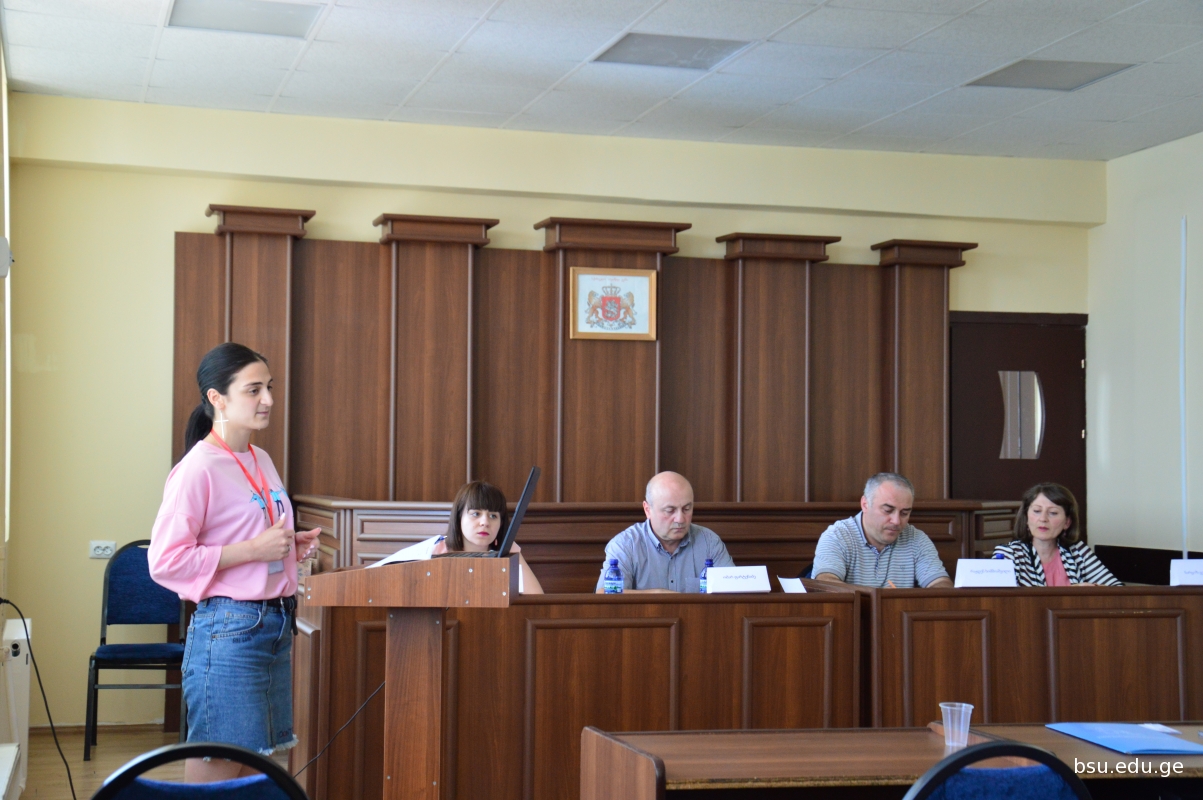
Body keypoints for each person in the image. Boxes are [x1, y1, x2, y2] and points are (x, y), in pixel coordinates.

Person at [148, 343, 321, 782]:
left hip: (274, 626)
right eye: (253, 390)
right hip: (230, 630)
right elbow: (165, 561)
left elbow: (247, 533)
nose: (268, 399)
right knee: (219, 770)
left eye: (269, 388)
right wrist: (254, 550)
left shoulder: (260, 458)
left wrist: (288, 547)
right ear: (217, 398)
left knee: (252, 769)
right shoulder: (198, 468)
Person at [595, 471, 733, 593]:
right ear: (648, 510)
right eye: (670, 510)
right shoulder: (625, 545)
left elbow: (734, 591)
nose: (680, 519)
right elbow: (604, 594)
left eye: (686, 509)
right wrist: (658, 595)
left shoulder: (709, 543)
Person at [813, 472, 952, 589]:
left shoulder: (917, 539)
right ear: (865, 504)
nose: (896, 521)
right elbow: (826, 585)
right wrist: (878, 600)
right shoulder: (837, 536)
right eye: (888, 510)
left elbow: (941, 583)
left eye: (904, 513)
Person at [993, 483, 1121, 587]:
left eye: (1053, 513)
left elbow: (1117, 590)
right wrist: (1070, 593)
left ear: (1067, 522)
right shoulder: (1008, 554)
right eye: (1037, 511)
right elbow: (1001, 600)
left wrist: (1092, 589)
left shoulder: (1078, 551)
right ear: (1026, 518)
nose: (1043, 519)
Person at [431, 480, 544, 594]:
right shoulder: (436, 550)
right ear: (459, 517)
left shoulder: (508, 549)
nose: (485, 522)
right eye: (476, 514)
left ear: (501, 523)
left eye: (493, 516)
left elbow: (535, 596)